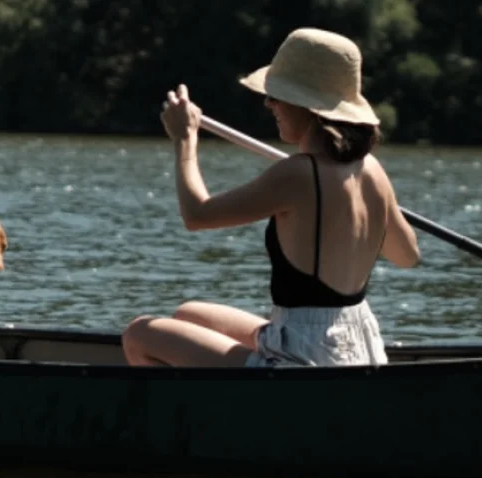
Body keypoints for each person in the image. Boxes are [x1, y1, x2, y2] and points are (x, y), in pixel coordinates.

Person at [121, 28, 422, 367]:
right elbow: (407, 256)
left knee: (138, 334)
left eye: (278, 95)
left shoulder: (297, 174)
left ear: (309, 106)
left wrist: (184, 139)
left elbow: (197, 215)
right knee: (188, 314)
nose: (269, 103)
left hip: (303, 359)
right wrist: (377, 206)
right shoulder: (372, 170)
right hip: (361, 348)